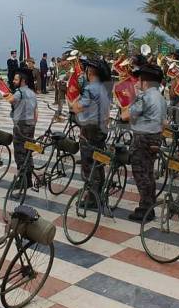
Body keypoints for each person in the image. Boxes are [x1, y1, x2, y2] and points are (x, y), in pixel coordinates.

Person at [122, 64, 166, 222]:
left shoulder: (145, 97)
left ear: (145, 81)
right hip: (155, 136)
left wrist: (127, 100)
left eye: (139, 79)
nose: (137, 82)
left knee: (141, 174)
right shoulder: (160, 97)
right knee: (148, 173)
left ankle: (145, 208)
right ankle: (150, 205)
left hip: (143, 138)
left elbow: (126, 116)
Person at [70, 58, 112, 204]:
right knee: (98, 161)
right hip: (101, 128)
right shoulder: (104, 88)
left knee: (88, 164)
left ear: (90, 71)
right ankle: (99, 194)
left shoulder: (90, 89)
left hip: (90, 130)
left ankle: (92, 199)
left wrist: (73, 100)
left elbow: (78, 108)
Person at [7, 66, 39, 194]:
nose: (14, 81)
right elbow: (36, 112)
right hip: (31, 125)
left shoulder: (19, 92)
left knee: (20, 153)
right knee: (28, 151)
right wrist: (32, 124)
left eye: (16, 79)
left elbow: (10, 100)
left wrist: (7, 93)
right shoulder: (32, 92)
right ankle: (29, 178)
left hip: (21, 126)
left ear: (23, 81)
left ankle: (23, 180)